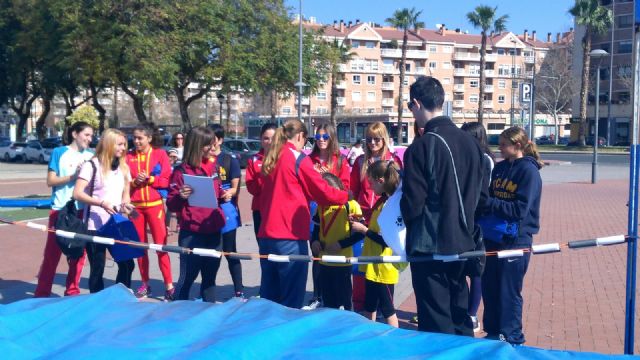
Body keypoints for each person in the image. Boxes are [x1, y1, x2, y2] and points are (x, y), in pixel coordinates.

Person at [401, 76, 488, 336]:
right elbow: (482, 198)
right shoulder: (471, 143)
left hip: (430, 247)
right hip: (464, 244)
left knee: (436, 323)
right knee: (460, 317)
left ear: (416, 104)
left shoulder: (421, 146)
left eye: (410, 106)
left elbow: (413, 204)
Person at [258, 119, 349, 309]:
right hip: (289, 237)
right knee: (291, 301)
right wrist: (344, 196)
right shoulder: (298, 158)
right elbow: (322, 191)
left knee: (268, 299)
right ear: (300, 136)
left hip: (266, 235)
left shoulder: (271, 157)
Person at [480, 126, 543, 345]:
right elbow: (489, 196)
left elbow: (520, 210)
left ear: (517, 146)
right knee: (490, 286)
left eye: (504, 144)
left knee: (509, 290)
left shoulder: (529, 172)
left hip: (516, 239)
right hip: (493, 237)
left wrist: (491, 204)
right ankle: (493, 330)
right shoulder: (498, 169)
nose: (500, 148)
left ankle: (513, 336)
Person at [34, 121, 94, 298]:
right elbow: (50, 181)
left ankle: (72, 290)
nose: (90, 139)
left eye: (91, 136)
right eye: (86, 135)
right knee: (52, 254)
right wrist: (73, 176)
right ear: (75, 134)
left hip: (81, 210)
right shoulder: (59, 152)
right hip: (60, 210)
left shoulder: (91, 155)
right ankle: (42, 293)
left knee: (78, 253)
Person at [73, 129, 136, 293]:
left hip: (116, 224)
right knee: (97, 269)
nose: (123, 148)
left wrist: (125, 205)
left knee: (128, 264)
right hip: (95, 226)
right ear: (108, 144)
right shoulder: (91, 165)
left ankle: (120, 297)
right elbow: (77, 193)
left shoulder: (124, 167)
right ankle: (97, 300)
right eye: (120, 144)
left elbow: (126, 193)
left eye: (125, 145)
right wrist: (101, 203)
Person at [167, 126, 225, 302]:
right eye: (209, 145)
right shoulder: (181, 171)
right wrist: (181, 196)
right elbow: (171, 203)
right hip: (192, 233)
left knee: (209, 280)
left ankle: (209, 317)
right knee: (187, 278)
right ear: (198, 146)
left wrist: (224, 195)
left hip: (214, 231)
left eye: (213, 144)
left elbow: (217, 193)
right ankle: (179, 315)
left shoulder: (214, 167)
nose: (212, 148)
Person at [350, 122, 402, 312]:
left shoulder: (393, 161)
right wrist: (354, 211)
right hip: (364, 217)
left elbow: (398, 189)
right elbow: (353, 191)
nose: (372, 143)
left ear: (384, 139)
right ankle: (361, 305)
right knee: (361, 264)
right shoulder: (360, 161)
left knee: (385, 264)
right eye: (369, 139)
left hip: (385, 216)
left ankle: (386, 309)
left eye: (377, 139)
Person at [126, 123, 174, 300]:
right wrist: (135, 183)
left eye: (140, 138)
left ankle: (169, 285)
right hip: (135, 207)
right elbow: (124, 182)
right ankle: (145, 283)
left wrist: (150, 178)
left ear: (149, 138)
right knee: (140, 247)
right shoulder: (128, 156)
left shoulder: (160, 154)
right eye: (135, 137)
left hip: (155, 206)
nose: (136, 141)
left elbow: (167, 179)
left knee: (161, 246)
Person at [305, 123, 350, 309]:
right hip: (315, 210)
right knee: (317, 252)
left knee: (336, 253)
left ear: (332, 138)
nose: (321, 140)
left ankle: (341, 300)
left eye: (325, 137)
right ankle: (317, 296)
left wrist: (328, 177)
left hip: (336, 212)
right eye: (318, 137)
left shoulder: (340, 161)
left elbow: (346, 188)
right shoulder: (309, 160)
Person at [461, 122, 496, 333]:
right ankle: (464, 309)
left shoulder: (484, 160)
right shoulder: (470, 156)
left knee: (476, 269)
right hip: (466, 218)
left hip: (478, 220)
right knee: (461, 266)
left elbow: (483, 192)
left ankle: (472, 314)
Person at [309, 173, 362, 310]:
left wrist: (341, 244)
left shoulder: (351, 205)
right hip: (324, 261)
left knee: (345, 301)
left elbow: (360, 233)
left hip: (343, 262)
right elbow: (316, 230)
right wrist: (314, 241)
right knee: (329, 302)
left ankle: (346, 327)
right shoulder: (321, 206)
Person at [208, 124, 244, 298]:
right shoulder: (203, 159)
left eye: (213, 139)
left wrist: (229, 193)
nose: (209, 143)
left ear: (220, 140)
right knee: (211, 254)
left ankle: (239, 290)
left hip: (227, 211)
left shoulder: (230, 160)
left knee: (230, 251)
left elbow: (236, 188)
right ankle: (208, 291)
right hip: (208, 212)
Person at [246, 123, 277, 237]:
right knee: (263, 246)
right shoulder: (254, 160)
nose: (269, 142)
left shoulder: (284, 158)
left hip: (277, 208)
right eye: (266, 138)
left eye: (273, 138)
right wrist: (263, 177)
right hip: (259, 208)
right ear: (261, 139)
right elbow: (251, 188)